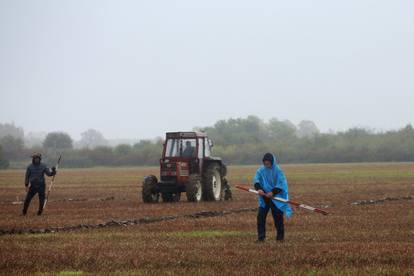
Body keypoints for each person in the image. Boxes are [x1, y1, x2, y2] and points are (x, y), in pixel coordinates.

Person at [253, 153, 292, 242]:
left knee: (278, 218)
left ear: (272, 162)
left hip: (276, 198)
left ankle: (280, 238)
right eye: (265, 163)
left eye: (268, 164)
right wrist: (259, 189)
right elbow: (256, 180)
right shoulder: (260, 170)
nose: (266, 165)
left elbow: (281, 185)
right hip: (264, 197)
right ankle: (261, 238)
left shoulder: (278, 171)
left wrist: (273, 192)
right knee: (260, 217)